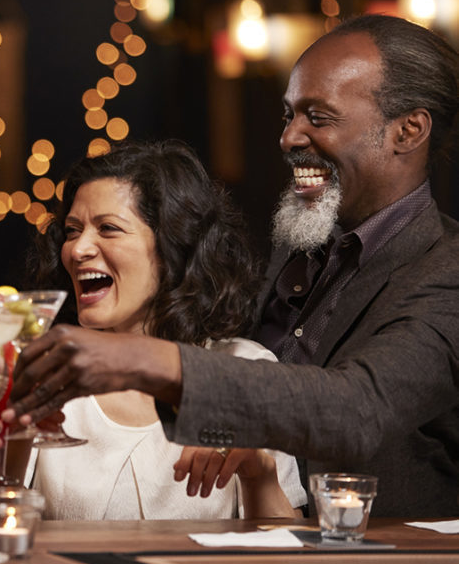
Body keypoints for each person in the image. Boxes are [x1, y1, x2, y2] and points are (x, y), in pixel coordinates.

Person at [9, 14, 459, 518]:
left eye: (319, 117)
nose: (290, 138)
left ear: (408, 130)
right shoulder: (300, 246)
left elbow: (358, 410)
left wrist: (141, 358)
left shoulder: (448, 272)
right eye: (289, 116)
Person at [21, 140, 304, 520]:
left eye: (108, 228)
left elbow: (288, 562)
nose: (77, 250)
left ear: (173, 247)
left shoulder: (247, 369)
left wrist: (259, 475)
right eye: (72, 231)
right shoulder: (43, 372)